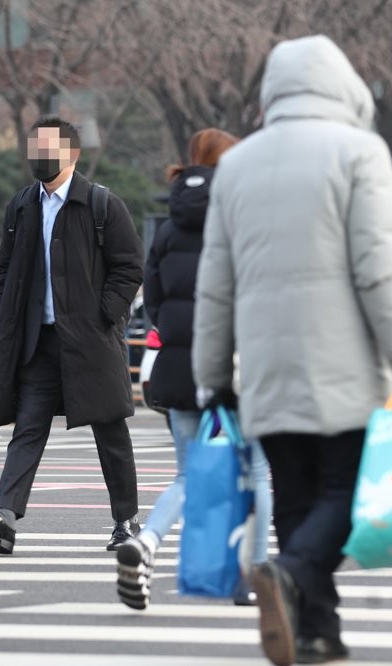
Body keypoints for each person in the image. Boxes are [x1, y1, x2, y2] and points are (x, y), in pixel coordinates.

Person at [192, 35, 392, 666]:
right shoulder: (359, 152)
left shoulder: (237, 165)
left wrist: (212, 376)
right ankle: (294, 576)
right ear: (342, 86)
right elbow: (380, 273)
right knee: (350, 498)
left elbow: (214, 285)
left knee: (297, 501)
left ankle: (317, 631)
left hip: (267, 371)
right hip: (344, 368)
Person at [0, 116, 144, 553]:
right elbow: (5, 267)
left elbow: (130, 266)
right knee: (27, 429)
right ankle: (4, 518)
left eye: (48, 149)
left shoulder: (101, 205)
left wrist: (103, 315)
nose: (38, 156)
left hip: (91, 342)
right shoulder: (22, 205)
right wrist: (5, 311)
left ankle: (127, 522)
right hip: (37, 342)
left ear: (71, 154)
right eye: (33, 148)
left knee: (110, 433)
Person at [115, 128, 273, 610]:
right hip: (237, 366)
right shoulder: (241, 216)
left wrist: (183, 337)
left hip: (181, 367)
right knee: (262, 473)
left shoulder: (168, 227)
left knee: (188, 476)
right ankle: (253, 574)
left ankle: (146, 542)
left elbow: (155, 299)